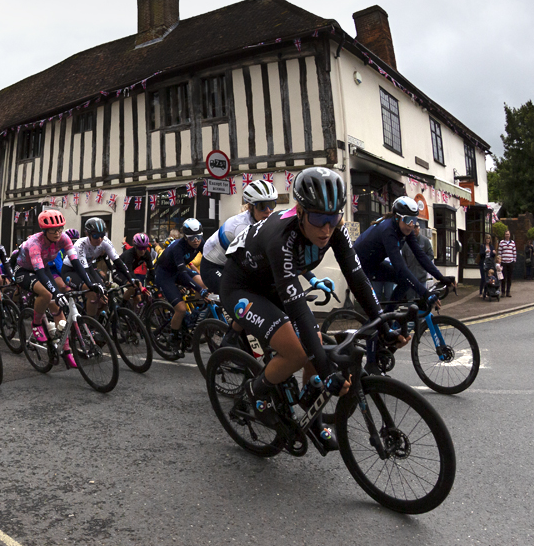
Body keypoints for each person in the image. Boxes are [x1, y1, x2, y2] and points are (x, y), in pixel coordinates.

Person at [222, 166, 404, 453]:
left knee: (315, 343)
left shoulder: (334, 228)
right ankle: (255, 393)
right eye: (319, 219)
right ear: (301, 211)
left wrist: (383, 325)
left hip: (272, 284)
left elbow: (357, 277)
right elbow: (296, 307)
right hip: (241, 287)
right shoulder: (282, 237)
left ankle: (313, 418)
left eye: (333, 218)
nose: (326, 229)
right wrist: (325, 369)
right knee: (298, 352)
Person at [13, 210, 100, 366]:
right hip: (25, 270)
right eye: (54, 230)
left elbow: (76, 263)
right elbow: (39, 273)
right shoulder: (35, 244)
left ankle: (66, 351)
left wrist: (91, 284)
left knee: (59, 306)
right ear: (45, 231)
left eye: (60, 229)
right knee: (47, 295)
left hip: (43, 267)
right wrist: (55, 293)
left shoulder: (64, 238)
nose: (58, 233)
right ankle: (36, 324)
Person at [355, 197, 455, 305]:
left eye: (414, 220)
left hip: (374, 263)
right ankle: (383, 318)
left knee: (405, 281)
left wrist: (441, 277)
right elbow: (400, 267)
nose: (411, 224)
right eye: (408, 219)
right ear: (397, 218)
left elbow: (420, 255)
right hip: (358, 266)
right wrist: (425, 293)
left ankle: (389, 316)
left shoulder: (405, 228)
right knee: (374, 311)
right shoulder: (388, 231)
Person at [152, 218, 209, 354]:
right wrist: (199, 291)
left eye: (198, 237)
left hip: (178, 271)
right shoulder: (178, 247)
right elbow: (183, 274)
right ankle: (174, 338)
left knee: (203, 283)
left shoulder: (200, 242)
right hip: (165, 274)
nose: (196, 241)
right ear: (185, 237)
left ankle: (195, 314)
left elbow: (210, 260)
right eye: (192, 238)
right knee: (181, 308)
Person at [70, 217, 136, 317]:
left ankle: (98, 323)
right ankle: (90, 324)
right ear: (88, 234)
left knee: (105, 298)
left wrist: (130, 279)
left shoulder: (105, 242)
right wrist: (94, 287)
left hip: (88, 268)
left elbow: (118, 262)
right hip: (72, 270)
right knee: (93, 293)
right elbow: (85, 271)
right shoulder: (80, 245)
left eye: (102, 235)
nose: (100, 239)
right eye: (96, 235)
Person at [498, 229, 517, 297]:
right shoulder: (501, 242)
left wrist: (514, 260)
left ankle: (508, 292)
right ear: (504, 235)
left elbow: (514, 252)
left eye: (508, 234)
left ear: (510, 235)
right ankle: (503, 292)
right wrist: (499, 261)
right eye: (506, 234)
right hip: (503, 262)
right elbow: (499, 252)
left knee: (509, 278)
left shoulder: (513, 243)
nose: (507, 235)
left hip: (510, 262)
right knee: (503, 278)